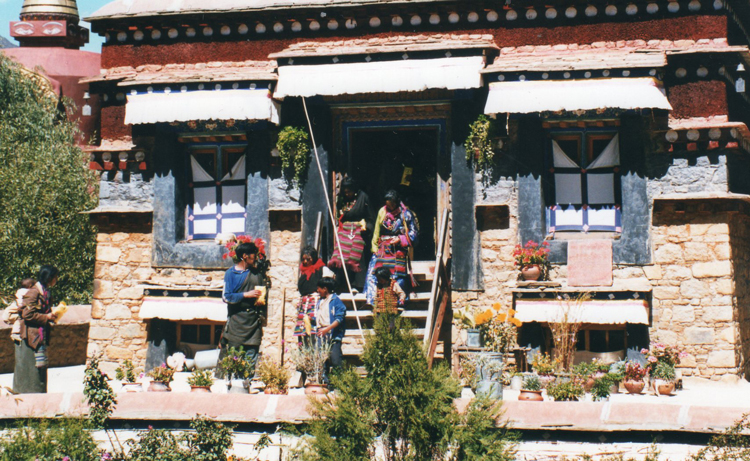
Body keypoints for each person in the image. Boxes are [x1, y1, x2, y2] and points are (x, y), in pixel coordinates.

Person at [220, 242, 268, 378]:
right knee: (234, 356)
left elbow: (262, 294)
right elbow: (226, 296)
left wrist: (260, 301)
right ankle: (233, 384)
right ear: (245, 256)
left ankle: (247, 383)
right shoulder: (231, 274)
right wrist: (245, 295)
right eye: (254, 255)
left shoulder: (256, 273)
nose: (256, 258)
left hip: (253, 322)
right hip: (237, 321)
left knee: (251, 354)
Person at [365, 189, 419, 304]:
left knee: (396, 276)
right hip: (383, 248)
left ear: (397, 202)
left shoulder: (406, 214)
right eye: (387, 204)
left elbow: (414, 234)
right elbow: (377, 231)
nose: (389, 207)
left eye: (392, 204)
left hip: (398, 249)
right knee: (375, 273)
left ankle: (397, 301)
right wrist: (374, 248)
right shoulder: (382, 211)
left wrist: (400, 239)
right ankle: (375, 300)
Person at [14, 266, 58, 394]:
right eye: (55, 277)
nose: (56, 280)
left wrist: (51, 316)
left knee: (41, 366)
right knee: (30, 369)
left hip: (41, 334)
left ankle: (39, 393)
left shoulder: (46, 292)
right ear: (49, 278)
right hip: (31, 335)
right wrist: (46, 317)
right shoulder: (33, 293)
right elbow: (27, 315)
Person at [328, 177, 375, 290]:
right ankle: (342, 284)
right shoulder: (343, 199)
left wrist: (367, 228)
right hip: (345, 231)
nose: (347, 193)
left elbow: (370, 217)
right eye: (345, 191)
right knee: (340, 256)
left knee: (356, 258)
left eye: (349, 191)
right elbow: (340, 215)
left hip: (359, 231)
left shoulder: (363, 198)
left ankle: (357, 285)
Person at [314, 277, 346, 380]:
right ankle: (325, 382)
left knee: (335, 359)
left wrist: (327, 329)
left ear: (325, 289)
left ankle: (339, 384)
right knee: (322, 360)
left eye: (319, 288)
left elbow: (339, 319)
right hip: (321, 333)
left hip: (332, 334)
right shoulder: (320, 301)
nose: (318, 291)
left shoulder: (335, 301)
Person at [294, 246, 326, 343]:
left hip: (315, 302)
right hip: (304, 303)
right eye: (303, 259)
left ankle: (314, 356)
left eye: (308, 259)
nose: (305, 262)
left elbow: (326, 287)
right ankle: (304, 355)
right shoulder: (303, 271)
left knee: (314, 330)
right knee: (303, 330)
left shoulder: (320, 269)